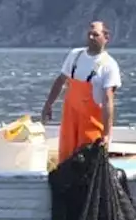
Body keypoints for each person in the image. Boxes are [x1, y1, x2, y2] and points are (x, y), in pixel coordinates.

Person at [41, 21, 121, 161]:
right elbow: (60, 81)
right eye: (89, 34)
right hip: (69, 123)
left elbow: (108, 100)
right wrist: (48, 104)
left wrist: (107, 134)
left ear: (106, 37)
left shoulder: (109, 65)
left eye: (95, 34)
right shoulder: (75, 56)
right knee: (66, 160)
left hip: (91, 127)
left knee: (88, 164)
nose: (91, 37)